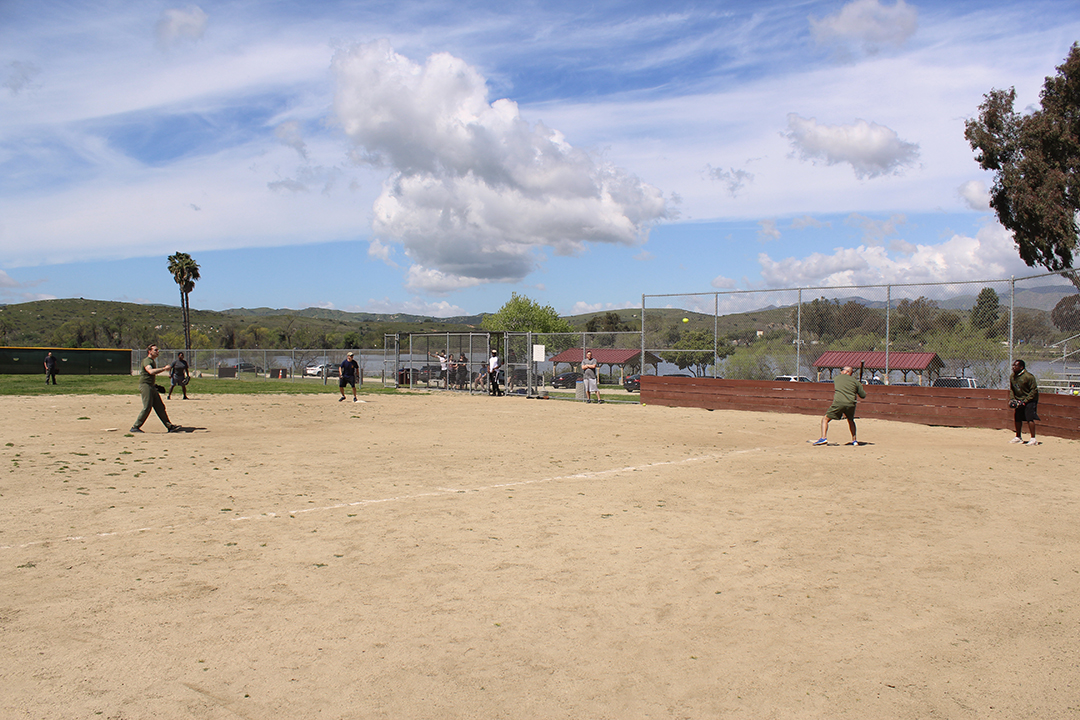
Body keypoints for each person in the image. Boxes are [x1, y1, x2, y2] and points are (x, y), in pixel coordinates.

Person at [131, 344, 181, 433]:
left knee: (160, 407)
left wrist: (155, 385)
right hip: (145, 385)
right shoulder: (147, 361)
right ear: (149, 351)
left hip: (151, 386)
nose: (157, 352)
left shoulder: (152, 361)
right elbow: (150, 371)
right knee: (147, 407)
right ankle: (135, 427)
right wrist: (164, 369)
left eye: (158, 350)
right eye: (155, 350)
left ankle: (170, 427)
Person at [813, 365, 865, 446]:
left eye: (842, 370)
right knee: (851, 420)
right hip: (851, 403)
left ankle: (823, 438)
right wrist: (859, 386)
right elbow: (863, 395)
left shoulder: (837, 378)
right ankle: (854, 440)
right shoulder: (856, 382)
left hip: (839, 402)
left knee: (825, 419)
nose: (841, 371)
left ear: (847, 372)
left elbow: (843, 384)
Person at [1008, 359, 1039, 445]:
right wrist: (1012, 399)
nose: (1013, 367)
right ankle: (1018, 437)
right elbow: (1012, 389)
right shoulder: (1012, 377)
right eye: (1013, 365)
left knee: (1029, 418)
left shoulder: (1028, 377)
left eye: (1016, 366)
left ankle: (1033, 439)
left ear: (1021, 367)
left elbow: (1034, 391)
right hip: (1019, 399)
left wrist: (1025, 401)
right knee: (1017, 417)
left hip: (1030, 400)